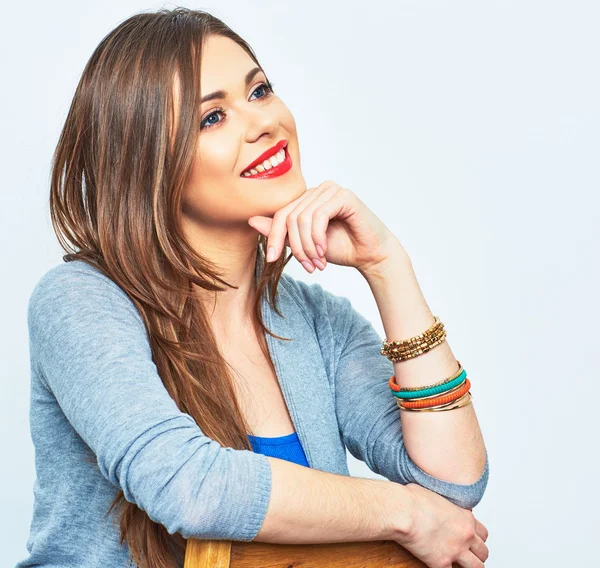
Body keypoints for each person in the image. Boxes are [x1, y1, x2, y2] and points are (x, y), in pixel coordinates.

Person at [18, 7, 490, 568]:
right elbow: (188, 486)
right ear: (148, 166)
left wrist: (387, 265)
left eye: (260, 90)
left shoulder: (315, 322)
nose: (262, 122)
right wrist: (405, 513)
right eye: (212, 118)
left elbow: (454, 490)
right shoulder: (79, 300)